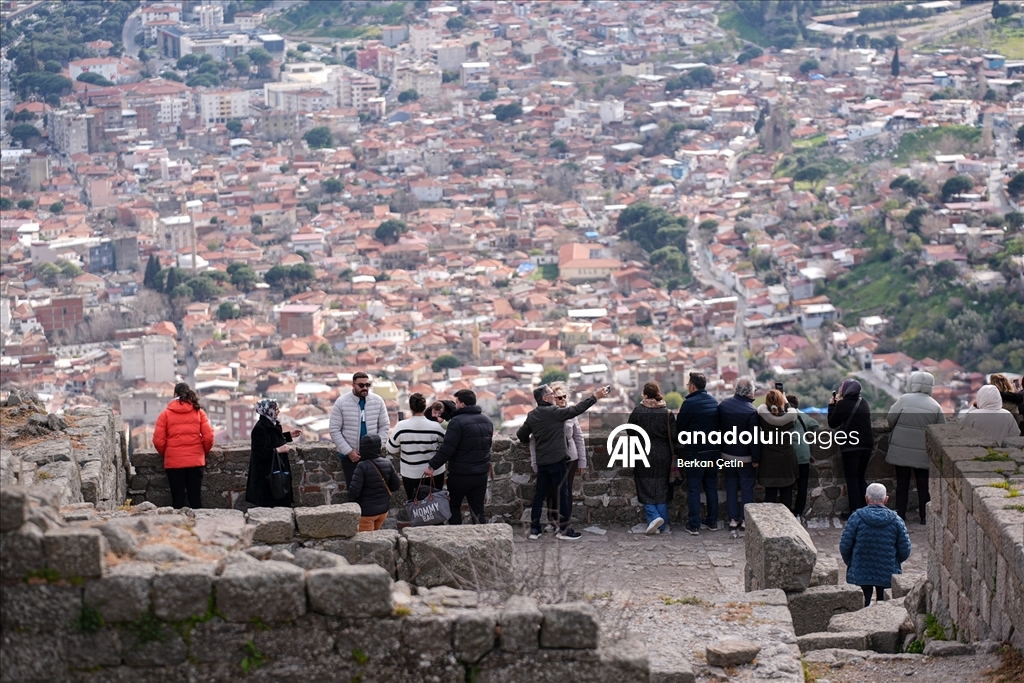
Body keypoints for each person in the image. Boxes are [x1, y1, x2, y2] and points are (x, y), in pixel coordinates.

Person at [518, 382, 608, 540]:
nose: (554, 396)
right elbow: (577, 409)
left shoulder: (532, 415)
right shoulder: (555, 412)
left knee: (540, 495)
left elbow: (521, 435)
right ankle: (564, 530)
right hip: (558, 460)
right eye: (551, 394)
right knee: (563, 494)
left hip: (542, 461)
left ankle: (534, 529)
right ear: (545, 398)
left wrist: (531, 436)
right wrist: (596, 397)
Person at [424, 390, 493, 524]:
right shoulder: (487, 421)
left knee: (454, 506)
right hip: (480, 474)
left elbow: (447, 448)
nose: (455, 405)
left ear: (462, 404)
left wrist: (432, 465)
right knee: (478, 510)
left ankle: (457, 538)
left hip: (460, 474)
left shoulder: (457, 422)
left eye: (456, 402)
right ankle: (483, 539)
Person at [885, 371, 946, 524]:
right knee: (923, 486)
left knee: (902, 484)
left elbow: (890, 419)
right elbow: (941, 431)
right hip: (923, 452)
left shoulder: (904, 400)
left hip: (901, 450)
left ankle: (900, 515)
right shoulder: (935, 406)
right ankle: (925, 517)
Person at [839, 483, 912, 608]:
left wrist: (852, 563)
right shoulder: (896, 520)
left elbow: (845, 546)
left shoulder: (856, 518)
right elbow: (905, 550)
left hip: (860, 572)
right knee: (884, 609)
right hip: (887, 572)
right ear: (886, 499)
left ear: (866, 498)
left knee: (860, 608)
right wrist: (894, 561)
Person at [528, 382, 587, 533]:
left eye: (564, 397)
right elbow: (533, 440)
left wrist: (582, 460)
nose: (562, 400)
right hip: (553, 457)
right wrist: (534, 462)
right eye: (559, 397)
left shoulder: (570, 414)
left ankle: (565, 523)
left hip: (570, 458)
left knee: (566, 492)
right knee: (551, 492)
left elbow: (578, 437)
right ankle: (553, 520)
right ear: (552, 398)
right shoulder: (547, 415)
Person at [153, 382, 214, 509]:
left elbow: (158, 441)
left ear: (175, 394)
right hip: (196, 462)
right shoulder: (199, 412)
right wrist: (202, 452)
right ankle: (199, 526)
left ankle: (179, 527)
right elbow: (208, 437)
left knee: (178, 501)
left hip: (174, 463)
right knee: (195, 499)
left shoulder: (165, 415)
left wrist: (169, 453)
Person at [627, 382, 676, 535]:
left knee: (644, 485)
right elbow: (674, 435)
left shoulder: (638, 411)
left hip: (643, 451)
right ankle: (661, 524)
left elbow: (630, 430)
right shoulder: (667, 412)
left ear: (645, 395)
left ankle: (654, 517)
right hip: (663, 453)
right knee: (662, 487)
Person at [676, 372, 720, 536]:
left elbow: (679, 426)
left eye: (688, 385)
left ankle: (694, 524)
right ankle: (712, 521)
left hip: (696, 451)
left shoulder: (689, 404)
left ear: (692, 386)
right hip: (713, 451)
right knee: (711, 487)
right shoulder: (714, 401)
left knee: (694, 488)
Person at [329, 372, 390, 488]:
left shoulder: (378, 401)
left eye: (368, 385)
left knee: (373, 489)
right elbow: (334, 429)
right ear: (353, 385)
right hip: (350, 458)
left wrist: (376, 448)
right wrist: (349, 452)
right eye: (361, 385)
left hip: (373, 456)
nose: (365, 388)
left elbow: (384, 426)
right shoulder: (341, 402)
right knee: (354, 491)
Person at [719, 377, 761, 536]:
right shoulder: (751, 411)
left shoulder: (723, 405)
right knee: (746, 489)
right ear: (749, 392)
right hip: (745, 457)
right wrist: (756, 459)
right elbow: (754, 439)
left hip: (727, 455)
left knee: (731, 487)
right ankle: (745, 520)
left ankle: (732, 519)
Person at [386, 393, 446, 499]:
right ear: (425, 407)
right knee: (435, 504)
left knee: (415, 505)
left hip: (411, 473)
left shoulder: (401, 426)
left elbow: (391, 449)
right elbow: (445, 447)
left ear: (410, 407)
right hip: (434, 472)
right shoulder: (437, 427)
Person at [828, 379, 874, 517]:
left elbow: (832, 423)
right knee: (860, 477)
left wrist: (832, 406)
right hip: (867, 445)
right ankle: (870, 507)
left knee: (852, 479)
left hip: (851, 446)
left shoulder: (843, 404)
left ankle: (856, 512)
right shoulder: (863, 402)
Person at [246, 398, 301, 507]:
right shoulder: (260, 428)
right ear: (268, 410)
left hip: (275, 472)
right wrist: (278, 450)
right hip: (268, 476)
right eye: (276, 409)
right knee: (272, 506)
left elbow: (272, 440)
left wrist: (289, 435)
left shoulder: (271, 424)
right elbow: (260, 453)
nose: (279, 411)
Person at [756, 389, 799, 509]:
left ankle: (769, 521)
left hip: (769, 459)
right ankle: (787, 521)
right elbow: (792, 415)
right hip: (786, 458)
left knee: (770, 493)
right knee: (787, 492)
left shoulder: (762, 417)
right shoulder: (789, 418)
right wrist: (786, 404)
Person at [348, 434, 400, 531]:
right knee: (376, 536)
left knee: (368, 542)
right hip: (383, 510)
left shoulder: (362, 466)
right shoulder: (387, 463)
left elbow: (354, 491)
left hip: (366, 512)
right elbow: (395, 486)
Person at [786, 394, 820, 522]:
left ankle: (786, 512)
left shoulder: (783, 416)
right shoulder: (803, 416)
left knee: (787, 485)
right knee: (802, 485)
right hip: (803, 454)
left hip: (788, 454)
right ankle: (798, 513)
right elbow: (816, 425)